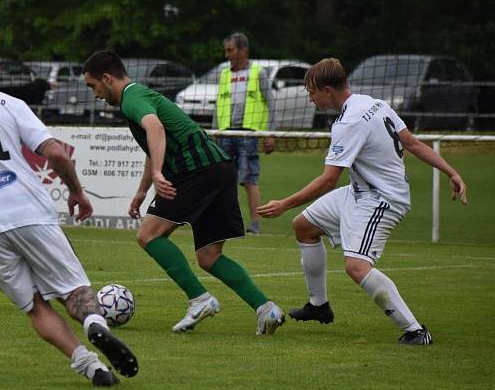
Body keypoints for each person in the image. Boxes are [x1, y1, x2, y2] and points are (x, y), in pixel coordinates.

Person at [0, 38, 138, 386]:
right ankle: (96, 324)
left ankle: (89, 366)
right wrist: (77, 191)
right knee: (73, 291)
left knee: (35, 306)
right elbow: (57, 154)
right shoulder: (10, 103)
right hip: (29, 210)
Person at [258, 58, 468, 345]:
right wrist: (452, 172)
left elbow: (328, 179)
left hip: (382, 198)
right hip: (359, 190)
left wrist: (283, 203)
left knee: (356, 267)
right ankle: (319, 306)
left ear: (328, 90)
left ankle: (416, 331)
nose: (309, 99)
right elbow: (412, 142)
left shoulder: (349, 122)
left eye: (311, 92)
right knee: (304, 226)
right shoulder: (374, 103)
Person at [82, 51, 284, 335]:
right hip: (219, 169)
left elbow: (155, 127)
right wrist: (142, 191)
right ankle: (266, 309)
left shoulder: (131, 97)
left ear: (106, 78)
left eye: (93, 86)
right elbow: (154, 145)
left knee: (148, 235)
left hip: (195, 169)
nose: (95, 94)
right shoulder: (140, 95)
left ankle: (200, 299)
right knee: (209, 257)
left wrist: (157, 174)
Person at [212, 33, 276, 235]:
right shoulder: (224, 74)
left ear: (243, 51)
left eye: (230, 50)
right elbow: (217, 106)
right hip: (225, 134)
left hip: (249, 133)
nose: (227, 54)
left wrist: (269, 133)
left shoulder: (258, 72)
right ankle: (232, 222)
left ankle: (255, 224)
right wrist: (214, 131)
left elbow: (272, 103)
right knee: (226, 180)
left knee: (249, 180)